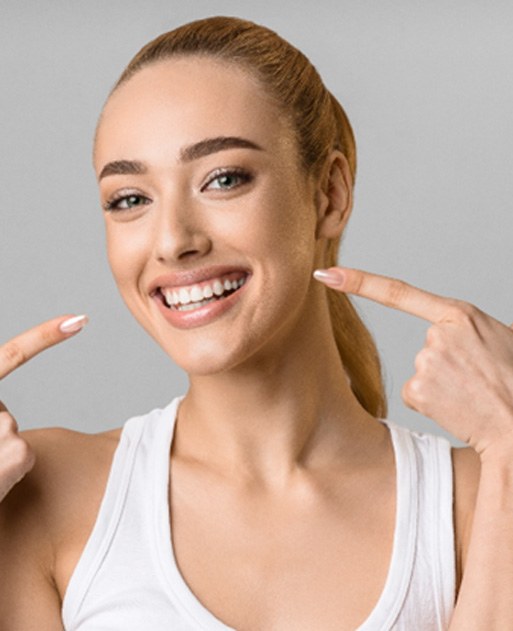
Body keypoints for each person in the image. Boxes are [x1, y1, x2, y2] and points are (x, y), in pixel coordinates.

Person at [0, 15, 512, 630]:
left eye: (223, 179)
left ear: (329, 194)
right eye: (130, 199)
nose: (172, 242)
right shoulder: (42, 494)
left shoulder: (481, 497)